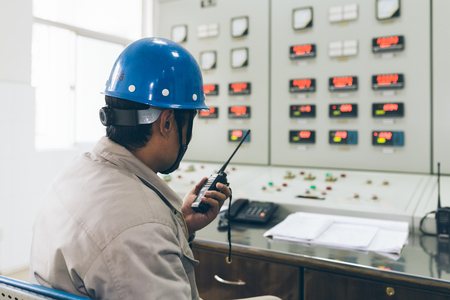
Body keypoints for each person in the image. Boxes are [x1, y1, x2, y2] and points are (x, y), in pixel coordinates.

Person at [29, 37, 231, 299]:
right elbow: (132, 233)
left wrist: (181, 224)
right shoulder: (142, 227)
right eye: (189, 120)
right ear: (167, 122)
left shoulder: (73, 173)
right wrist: (157, 225)